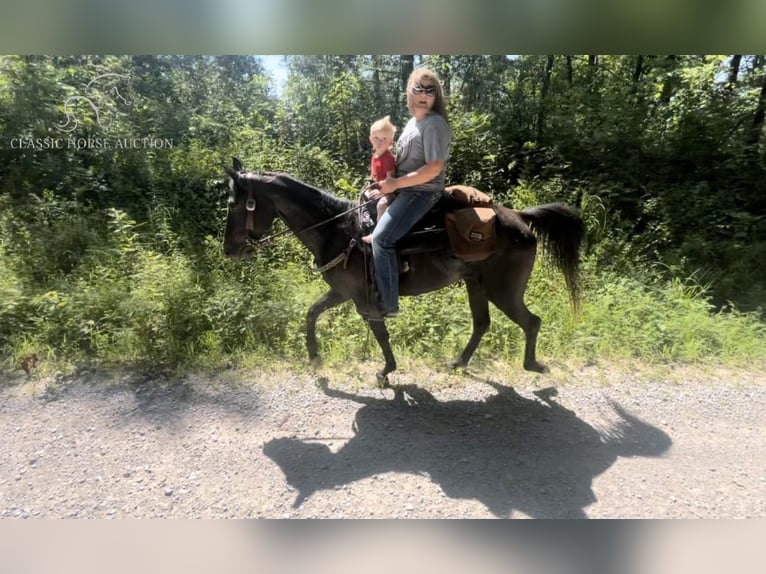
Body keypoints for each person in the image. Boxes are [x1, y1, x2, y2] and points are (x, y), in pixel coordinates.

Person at [367, 67, 451, 319]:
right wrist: (384, 182)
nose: (424, 94)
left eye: (430, 90)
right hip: (403, 188)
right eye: (419, 89)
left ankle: (389, 304)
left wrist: (395, 184)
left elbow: (434, 167)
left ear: (436, 95)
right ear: (410, 92)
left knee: (382, 239)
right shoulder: (412, 123)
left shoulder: (434, 124)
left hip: (421, 193)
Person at [361, 115, 397, 244]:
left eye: (384, 139)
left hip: (389, 191)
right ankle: (366, 222)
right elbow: (374, 175)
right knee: (362, 197)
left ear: (390, 142)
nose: (380, 142)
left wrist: (381, 192)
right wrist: (370, 183)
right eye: (376, 138)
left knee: (381, 205)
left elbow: (391, 180)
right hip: (378, 187)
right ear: (371, 140)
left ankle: (378, 233)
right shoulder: (375, 156)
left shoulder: (387, 158)